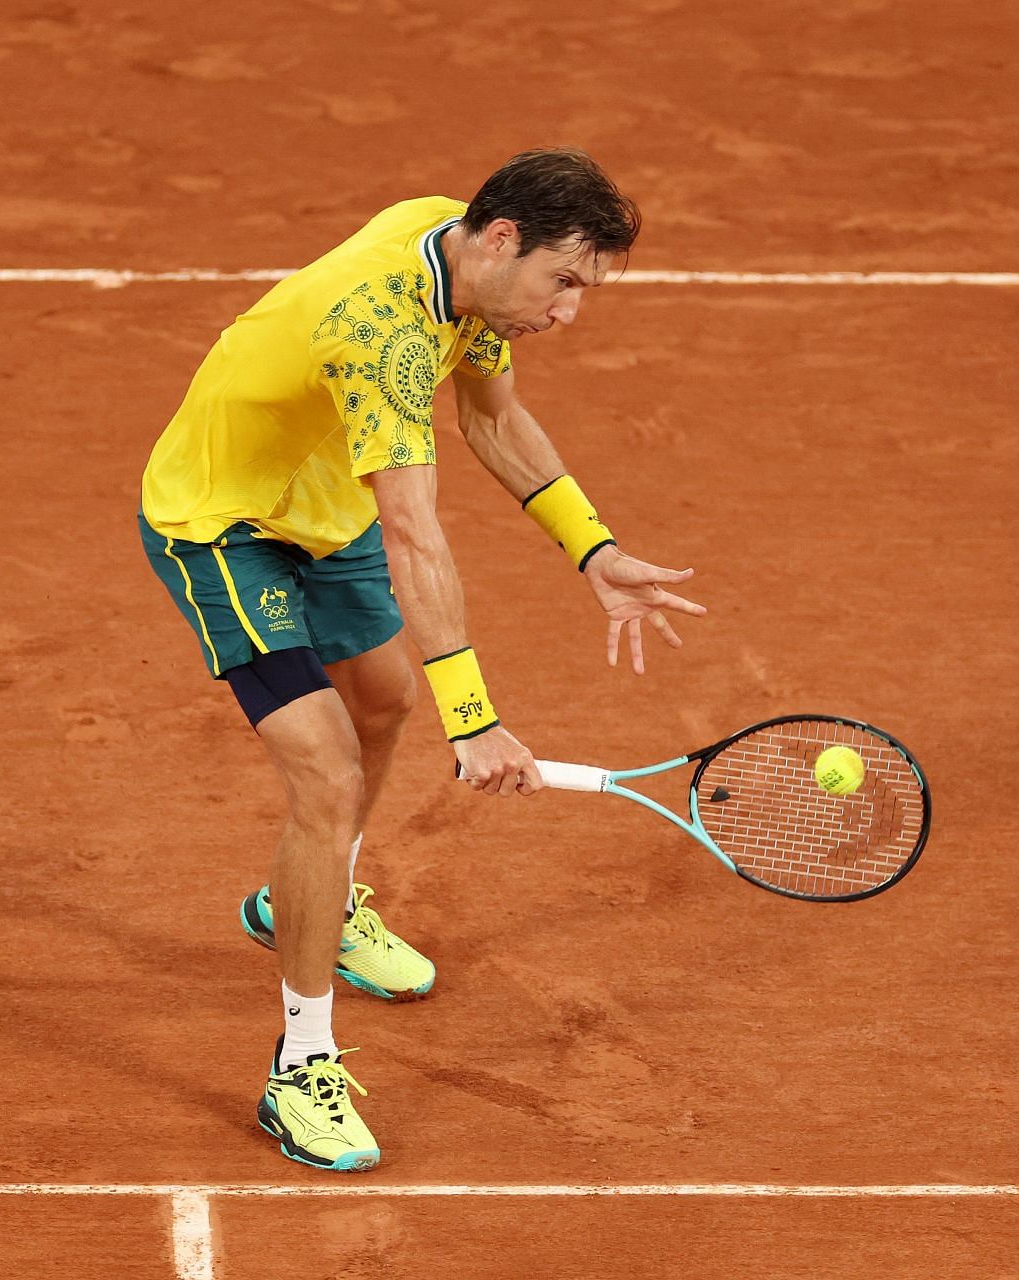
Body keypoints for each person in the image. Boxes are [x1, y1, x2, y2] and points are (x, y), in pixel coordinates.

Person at [138, 148, 706, 1172]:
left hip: (323, 506)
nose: (571, 312)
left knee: (385, 702)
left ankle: (307, 903)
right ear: (501, 241)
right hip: (223, 520)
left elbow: (492, 416)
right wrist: (478, 716)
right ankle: (299, 1065)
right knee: (325, 771)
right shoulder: (387, 336)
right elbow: (414, 533)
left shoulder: (455, 240)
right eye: (563, 282)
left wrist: (596, 549)